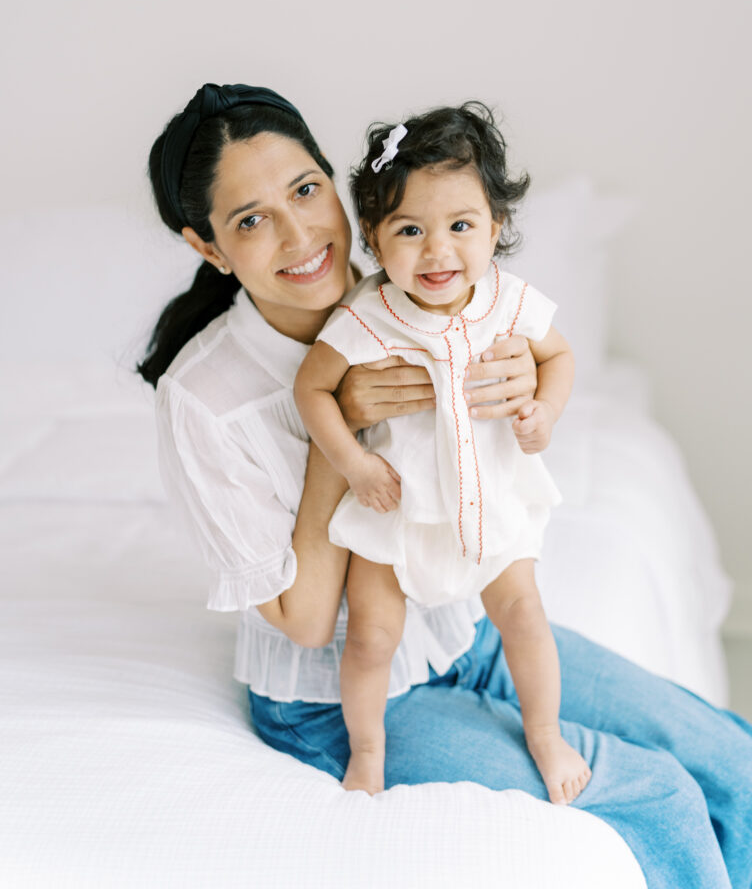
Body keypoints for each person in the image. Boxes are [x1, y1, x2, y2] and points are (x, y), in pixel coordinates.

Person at [140, 82, 752, 889]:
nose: (297, 235)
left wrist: (526, 389)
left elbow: (527, 364)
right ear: (208, 247)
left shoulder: (417, 287)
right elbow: (305, 619)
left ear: (339, 188)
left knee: (728, 758)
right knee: (658, 797)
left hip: (463, 626)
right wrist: (342, 431)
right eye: (249, 220)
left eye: (305, 191)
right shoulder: (203, 400)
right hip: (340, 699)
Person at [294, 103, 590, 802]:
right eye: (409, 230)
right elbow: (312, 391)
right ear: (372, 236)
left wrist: (545, 410)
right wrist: (355, 464)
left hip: (492, 496)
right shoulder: (368, 316)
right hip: (398, 508)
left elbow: (561, 356)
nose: (437, 252)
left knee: (523, 614)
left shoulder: (508, 301)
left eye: (460, 226)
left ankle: (544, 733)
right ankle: (367, 753)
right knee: (370, 637)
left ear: (497, 227)